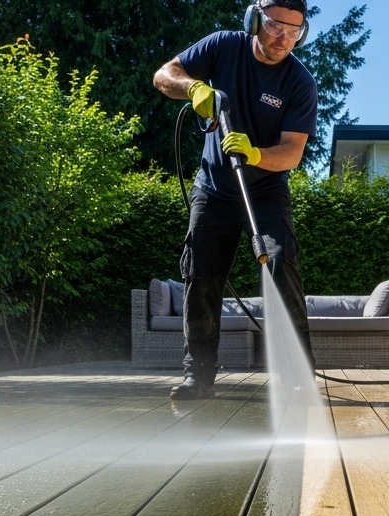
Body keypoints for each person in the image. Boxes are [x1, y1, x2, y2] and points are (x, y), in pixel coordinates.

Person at [152, 0, 317, 400]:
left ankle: (298, 375)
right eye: (277, 26)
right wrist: (193, 88)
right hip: (213, 188)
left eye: (294, 31)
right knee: (202, 275)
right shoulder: (223, 46)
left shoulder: (299, 82)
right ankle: (199, 376)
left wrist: (256, 153)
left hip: (266, 190)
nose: (283, 38)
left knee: (279, 264)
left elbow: (292, 152)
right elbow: (163, 75)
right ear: (255, 19)